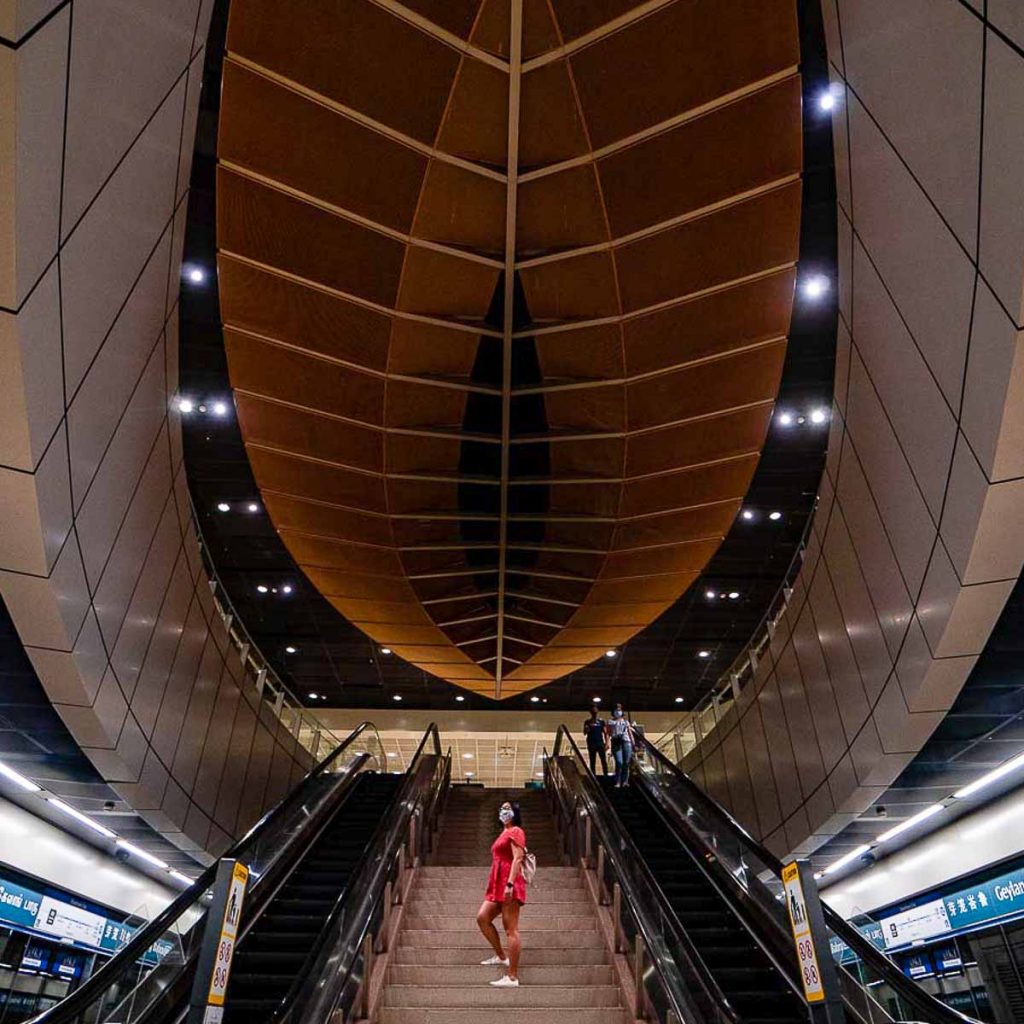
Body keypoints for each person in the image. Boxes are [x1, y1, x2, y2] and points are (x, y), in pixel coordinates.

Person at [476, 800, 526, 987]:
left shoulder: (516, 831)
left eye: (508, 808)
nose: (504, 811)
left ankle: (512, 977)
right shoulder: (504, 832)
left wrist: (510, 883)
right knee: (483, 917)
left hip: (508, 883)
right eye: (502, 808)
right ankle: (501, 956)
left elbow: (518, 858)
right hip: (498, 884)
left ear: (515, 812)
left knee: (510, 929)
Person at [608, 703, 637, 788]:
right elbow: (608, 733)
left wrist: (633, 743)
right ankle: (617, 781)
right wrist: (607, 743)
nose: (618, 711)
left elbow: (629, 732)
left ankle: (625, 781)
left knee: (626, 762)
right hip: (616, 742)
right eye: (616, 709)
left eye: (619, 709)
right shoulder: (611, 722)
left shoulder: (625, 722)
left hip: (626, 742)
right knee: (619, 762)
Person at [582, 704, 609, 775]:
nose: (594, 711)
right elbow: (584, 733)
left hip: (600, 742)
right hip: (591, 743)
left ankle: (605, 774)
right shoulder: (587, 722)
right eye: (593, 710)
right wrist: (587, 729)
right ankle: (593, 775)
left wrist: (606, 743)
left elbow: (605, 733)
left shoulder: (601, 721)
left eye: (595, 709)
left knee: (603, 759)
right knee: (592, 760)